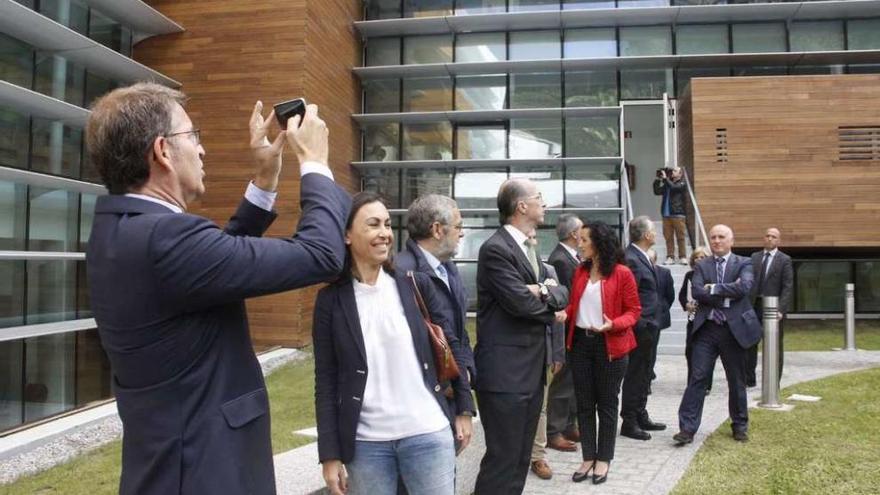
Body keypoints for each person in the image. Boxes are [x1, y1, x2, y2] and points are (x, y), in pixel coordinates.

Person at [85, 83, 351, 494]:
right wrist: (315, 163)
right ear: (162, 151)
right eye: (192, 136)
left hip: (174, 465)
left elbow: (212, 268)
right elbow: (321, 255)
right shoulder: (166, 239)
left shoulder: (123, 231)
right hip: (204, 472)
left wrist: (265, 179)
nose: (202, 150)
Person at [314, 192, 470, 495]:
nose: (385, 233)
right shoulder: (330, 301)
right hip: (365, 447)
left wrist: (464, 406)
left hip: (427, 433)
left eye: (387, 224)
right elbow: (326, 380)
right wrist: (330, 454)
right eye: (373, 225)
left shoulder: (415, 284)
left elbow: (451, 344)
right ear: (347, 235)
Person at [473, 179, 568, 495]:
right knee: (503, 459)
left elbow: (562, 291)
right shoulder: (496, 249)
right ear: (521, 206)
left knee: (519, 460)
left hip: (530, 373)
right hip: (505, 376)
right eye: (540, 197)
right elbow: (520, 303)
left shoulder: (532, 249)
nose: (546, 204)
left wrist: (542, 290)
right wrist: (549, 303)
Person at [395, 194, 477, 443]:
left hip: (451, 392)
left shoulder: (448, 267)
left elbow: (459, 334)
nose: (462, 233)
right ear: (437, 229)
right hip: (421, 403)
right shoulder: (402, 272)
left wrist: (466, 382)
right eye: (459, 226)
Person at [566, 221, 641, 486]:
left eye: (585, 239)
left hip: (610, 345)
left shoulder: (622, 273)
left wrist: (614, 324)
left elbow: (634, 311)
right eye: (579, 239)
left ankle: (604, 459)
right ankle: (588, 456)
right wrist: (565, 314)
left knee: (607, 405)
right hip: (581, 346)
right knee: (584, 405)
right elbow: (574, 305)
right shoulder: (580, 271)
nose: (580, 243)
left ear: (598, 243)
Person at [674, 225, 762, 446]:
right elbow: (697, 291)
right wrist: (725, 290)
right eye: (713, 237)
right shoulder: (702, 265)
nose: (716, 241)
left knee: (736, 380)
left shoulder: (745, 263)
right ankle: (687, 428)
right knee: (698, 377)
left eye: (721, 237)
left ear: (731, 241)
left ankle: (739, 425)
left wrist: (712, 288)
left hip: (734, 331)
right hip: (707, 329)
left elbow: (744, 288)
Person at [620, 216, 666, 440]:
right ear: (647, 235)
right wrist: (639, 323)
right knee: (635, 373)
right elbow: (629, 295)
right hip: (641, 326)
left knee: (645, 372)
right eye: (654, 231)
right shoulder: (631, 258)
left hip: (650, 325)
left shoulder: (642, 257)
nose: (656, 234)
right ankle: (629, 420)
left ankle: (640, 414)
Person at [529, 231, 568, 481]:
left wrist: (558, 353)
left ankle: (537, 456)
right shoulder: (509, 271)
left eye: (533, 236)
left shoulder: (550, 271)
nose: (530, 238)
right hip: (516, 352)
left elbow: (559, 316)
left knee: (540, 407)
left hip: (543, 351)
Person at [545, 214, 583, 452]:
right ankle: (553, 431)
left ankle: (570, 424)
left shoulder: (573, 257)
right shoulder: (560, 259)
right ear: (573, 234)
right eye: (582, 230)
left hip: (577, 330)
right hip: (566, 330)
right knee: (563, 383)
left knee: (574, 381)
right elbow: (564, 297)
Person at [748, 228, 794, 387]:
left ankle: (774, 381)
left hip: (774, 309)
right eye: (767, 235)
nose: (769, 239)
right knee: (749, 343)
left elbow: (787, 287)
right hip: (754, 306)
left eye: (773, 237)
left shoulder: (784, 260)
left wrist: (781, 309)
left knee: (775, 345)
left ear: (778, 241)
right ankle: (749, 379)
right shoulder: (754, 257)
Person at [678, 247, 712, 392]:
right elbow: (682, 295)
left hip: (708, 320)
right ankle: (692, 383)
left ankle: (706, 385)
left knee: (707, 353)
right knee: (690, 351)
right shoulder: (689, 275)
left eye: (703, 257)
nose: (699, 259)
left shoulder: (711, 275)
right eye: (697, 257)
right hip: (692, 319)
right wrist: (686, 304)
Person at [647, 248, 675, 392]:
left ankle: (648, 379)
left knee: (652, 349)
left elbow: (670, 295)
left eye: (651, 260)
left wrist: (662, 309)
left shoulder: (664, 273)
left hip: (657, 317)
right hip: (642, 317)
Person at [653, 167, 688, 265]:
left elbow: (674, 188)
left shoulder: (682, 183)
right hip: (666, 215)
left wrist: (665, 179)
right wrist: (657, 180)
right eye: (672, 171)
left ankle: (683, 257)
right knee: (668, 237)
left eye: (675, 171)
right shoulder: (667, 183)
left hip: (678, 214)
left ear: (680, 174)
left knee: (680, 237)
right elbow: (657, 191)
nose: (672, 172)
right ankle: (670, 257)